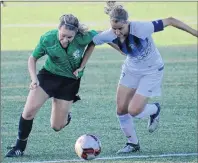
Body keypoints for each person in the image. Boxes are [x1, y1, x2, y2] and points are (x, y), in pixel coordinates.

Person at [92, 1, 198, 154]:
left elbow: (170, 20)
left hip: (152, 71)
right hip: (131, 69)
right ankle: (132, 143)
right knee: (121, 109)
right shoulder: (110, 34)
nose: (117, 32)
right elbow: (94, 40)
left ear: (127, 23)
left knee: (134, 110)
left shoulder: (142, 28)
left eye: (120, 28)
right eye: (114, 29)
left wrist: (195, 33)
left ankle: (155, 109)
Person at [5, 14, 98, 157]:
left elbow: (99, 38)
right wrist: (34, 78)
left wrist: (83, 64)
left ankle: (66, 117)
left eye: (70, 37)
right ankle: (19, 147)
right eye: (63, 35)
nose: (65, 40)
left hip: (69, 82)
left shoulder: (83, 37)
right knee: (28, 111)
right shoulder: (47, 39)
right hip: (48, 76)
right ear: (58, 29)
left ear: (76, 34)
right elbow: (32, 58)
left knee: (56, 126)